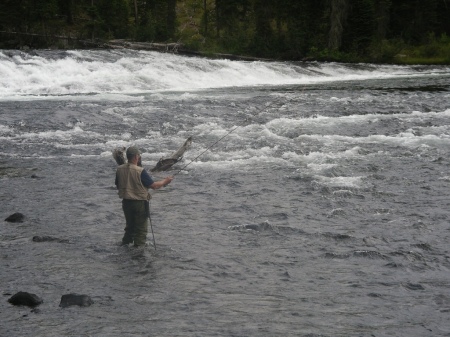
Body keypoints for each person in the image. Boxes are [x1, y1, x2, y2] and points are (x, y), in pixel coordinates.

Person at [115, 146, 173, 247]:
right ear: (136, 157)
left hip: (126, 203)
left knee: (129, 228)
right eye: (139, 156)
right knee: (141, 230)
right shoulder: (140, 171)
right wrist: (165, 181)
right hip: (139, 204)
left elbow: (117, 184)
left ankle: (124, 247)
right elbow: (154, 186)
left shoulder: (119, 169)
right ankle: (139, 252)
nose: (139, 157)